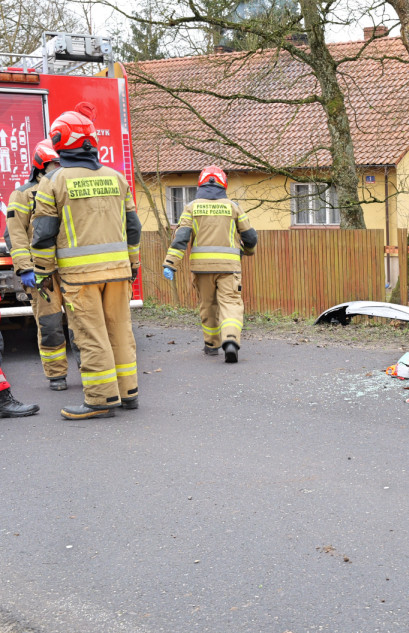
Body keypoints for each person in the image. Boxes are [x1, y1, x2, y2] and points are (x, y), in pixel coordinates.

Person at [31, 109, 141, 420]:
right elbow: (133, 228)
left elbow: (43, 236)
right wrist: (133, 263)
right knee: (120, 331)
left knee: (91, 335)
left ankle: (100, 399)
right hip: (119, 272)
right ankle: (128, 392)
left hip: (79, 279)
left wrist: (43, 273)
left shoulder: (53, 183)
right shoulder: (117, 177)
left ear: (60, 142)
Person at [162, 166, 256, 363]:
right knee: (230, 304)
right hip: (229, 268)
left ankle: (211, 345)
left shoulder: (191, 207)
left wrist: (170, 264)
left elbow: (181, 239)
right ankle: (230, 341)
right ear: (223, 184)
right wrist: (247, 251)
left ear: (200, 184)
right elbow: (250, 236)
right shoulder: (233, 207)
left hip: (202, 268)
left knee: (208, 305)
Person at [4, 139, 73, 391]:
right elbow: (15, 234)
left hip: (71, 268)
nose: (59, 169)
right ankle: (56, 375)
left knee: (82, 325)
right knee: (50, 325)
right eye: (55, 164)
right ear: (40, 166)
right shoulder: (22, 194)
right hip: (42, 274)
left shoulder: (66, 188)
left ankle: (90, 371)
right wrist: (24, 267)